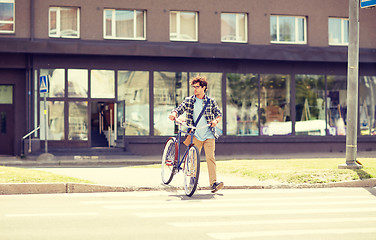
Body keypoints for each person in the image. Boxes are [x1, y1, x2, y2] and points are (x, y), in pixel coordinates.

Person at [168, 76, 224, 193]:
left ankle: (213, 183)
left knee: (210, 158)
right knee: (193, 158)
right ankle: (192, 180)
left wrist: (215, 121)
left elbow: (219, 114)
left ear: (204, 88)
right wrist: (174, 114)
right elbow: (179, 109)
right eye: (194, 87)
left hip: (209, 134)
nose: (195, 89)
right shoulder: (189, 100)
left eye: (197, 87)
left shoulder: (211, 101)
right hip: (195, 134)